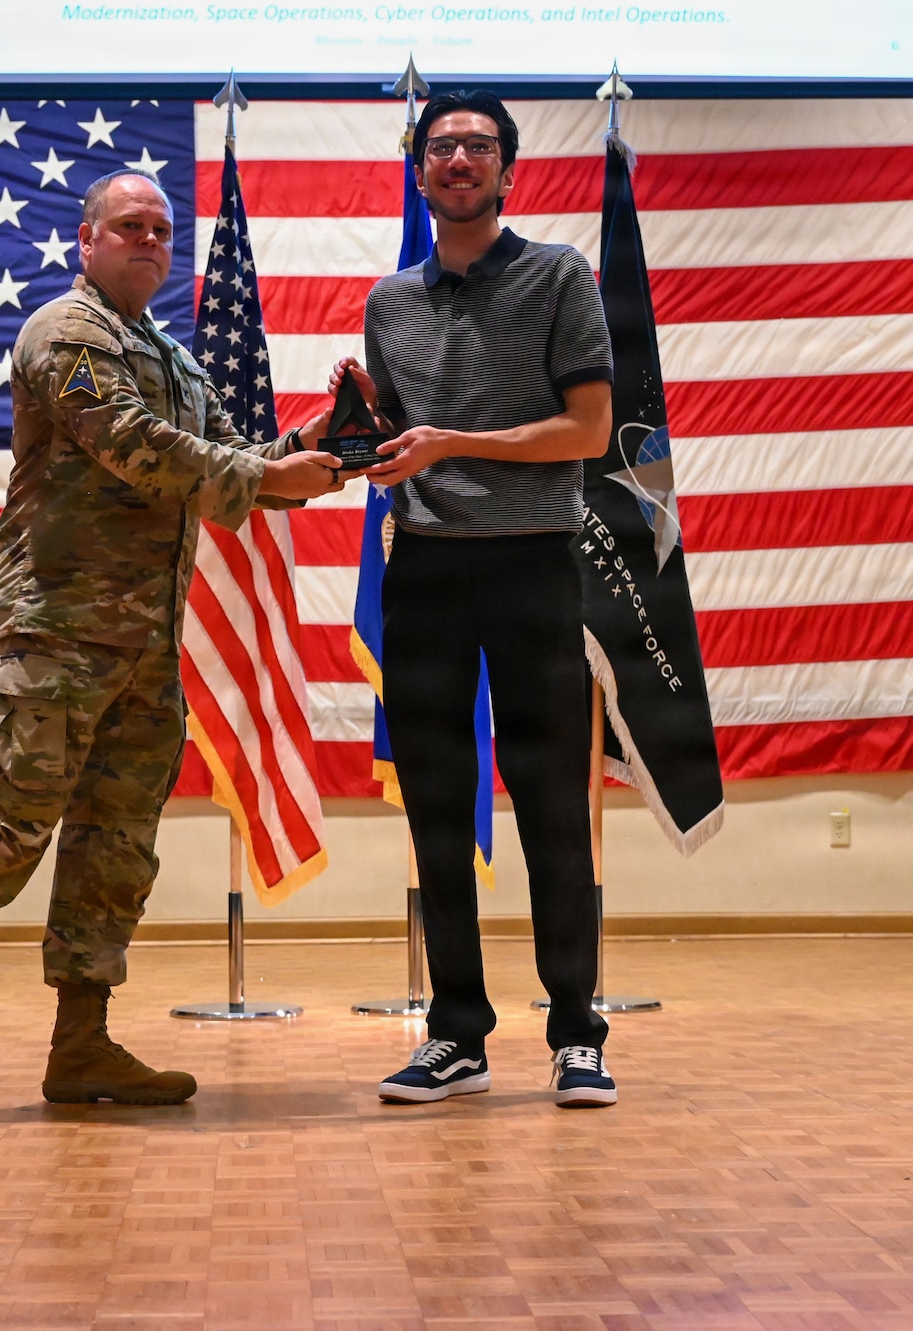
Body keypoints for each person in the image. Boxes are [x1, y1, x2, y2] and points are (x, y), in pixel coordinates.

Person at [0, 172, 345, 1122]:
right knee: (5, 828)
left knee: (116, 844)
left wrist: (320, 445)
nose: (149, 240)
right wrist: (267, 472)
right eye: (128, 227)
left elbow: (235, 456)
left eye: (161, 229)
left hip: (146, 645)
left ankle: (82, 1041)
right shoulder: (65, 335)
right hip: (54, 637)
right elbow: (135, 445)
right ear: (87, 240)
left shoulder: (179, 361)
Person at [336, 91, 619, 1108]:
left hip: (534, 564)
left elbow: (585, 430)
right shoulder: (387, 302)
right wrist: (364, 428)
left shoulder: (557, 276)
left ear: (508, 171)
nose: (458, 158)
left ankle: (576, 1034)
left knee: (548, 802)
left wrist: (452, 440)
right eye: (440, 145)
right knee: (437, 809)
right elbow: (399, 442)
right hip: (425, 573)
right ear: (418, 172)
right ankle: (456, 1033)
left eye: (478, 146)